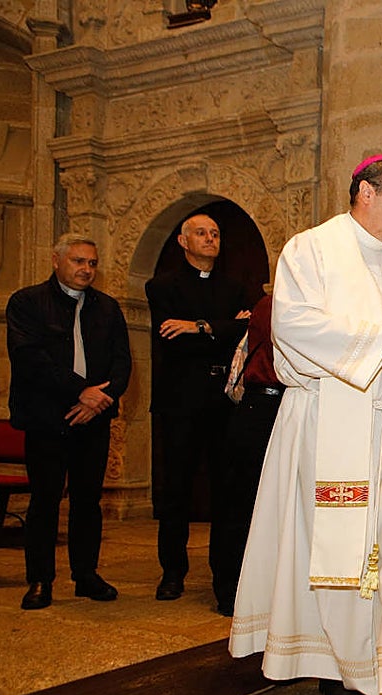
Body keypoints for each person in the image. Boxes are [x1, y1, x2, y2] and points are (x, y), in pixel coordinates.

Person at [229, 155, 382, 695]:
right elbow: (294, 326)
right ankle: (339, 666)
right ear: (366, 191)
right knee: (339, 545)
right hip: (330, 419)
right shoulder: (312, 249)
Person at [5, 234, 131, 610]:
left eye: (92, 263)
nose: (86, 269)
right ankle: (40, 580)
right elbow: (30, 358)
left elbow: (122, 363)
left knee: (87, 501)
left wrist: (99, 400)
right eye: (78, 261)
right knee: (45, 501)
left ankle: (86, 575)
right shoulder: (26, 302)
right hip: (47, 418)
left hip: (93, 419)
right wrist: (81, 391)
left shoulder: (107, 308)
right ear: (56, 260)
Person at [146, 213, 260, 602]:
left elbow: (246, 331)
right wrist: (222, 327)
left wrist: (198, 326)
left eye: (215, 233)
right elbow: (171, 338)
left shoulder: (235, 287)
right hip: (180, 401)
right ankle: (172, 572)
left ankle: (225, 578)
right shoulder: (161, 286)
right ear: (183, 241)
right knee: (176, 488)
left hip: (225, 401)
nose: (210, 238)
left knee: (226, 490)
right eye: (201, 233)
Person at [208, 293, 281, 616]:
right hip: (264, 406)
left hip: (274, 406)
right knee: (242, 501)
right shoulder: (278, 303)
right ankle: (231, 590)